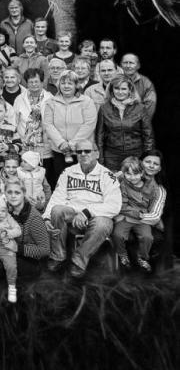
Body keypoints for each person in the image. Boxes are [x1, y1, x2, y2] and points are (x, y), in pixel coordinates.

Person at [43, 139, 122, 278]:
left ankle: (78, 260)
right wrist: (47, 217)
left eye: (87, 151)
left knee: (103, 224)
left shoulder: (107, 176)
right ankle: (58, 256)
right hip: (72, 213)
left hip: (97, 216)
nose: (83, 154)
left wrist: (87, 213)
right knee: (57, 210)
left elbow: (114, 205)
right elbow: (57, 197)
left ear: (97, 154)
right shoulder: (68, 172)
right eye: (79, 151)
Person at [43, 70, 97, 181]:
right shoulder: (51, 102)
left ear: (76, 85)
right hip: (59, 150)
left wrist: (72, 144)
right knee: (62, 180)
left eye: (70, 83)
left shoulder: (87, 101)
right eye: (63, 83)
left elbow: (89, 125)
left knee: (82, 180)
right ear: (59, 85)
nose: (66, 86)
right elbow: (48, 124)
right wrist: (61, 143)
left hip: (82, 150)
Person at [111, 156, 160, 273]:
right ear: (124, 174)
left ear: (142, 173)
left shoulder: (150, 187)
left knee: (148, 237)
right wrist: (136, 213)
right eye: (128, 174)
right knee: (117, 235)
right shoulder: (123, 185)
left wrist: (150, 215)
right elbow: (122, 206)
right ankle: (122, 255)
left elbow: (153, 203)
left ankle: (142, 257)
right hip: (126, 217)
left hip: (142, 219)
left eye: (136, 174)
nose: (132, 177)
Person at [96, 76, 154, 172]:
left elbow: (148, 136)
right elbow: (99, 136)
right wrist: (100, 160)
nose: (120, 92)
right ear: (111, 90)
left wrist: (147, 157)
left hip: (135, 155)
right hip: (111, 156)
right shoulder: (104, 108)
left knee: (132, 180)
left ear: (130, 90)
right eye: (117, 88)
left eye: (123, 89)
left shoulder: (140, 108)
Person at [13, 68, 54, 186]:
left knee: (44, 181)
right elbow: (14, 122)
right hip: (25, 148)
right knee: (26, 180)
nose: (34, 84)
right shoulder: (20, 99)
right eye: (30, 82)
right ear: (26, 83)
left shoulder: (51, 99)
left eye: (36, 81)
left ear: (42, 82)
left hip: (45, 149)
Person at [120, 53, 157, 119]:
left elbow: (149, 109)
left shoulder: (146, 83)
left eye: (131, 63)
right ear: (121, 65)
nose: (128, 66)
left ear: (138, 66)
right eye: (125, 63)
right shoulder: (114, 81)